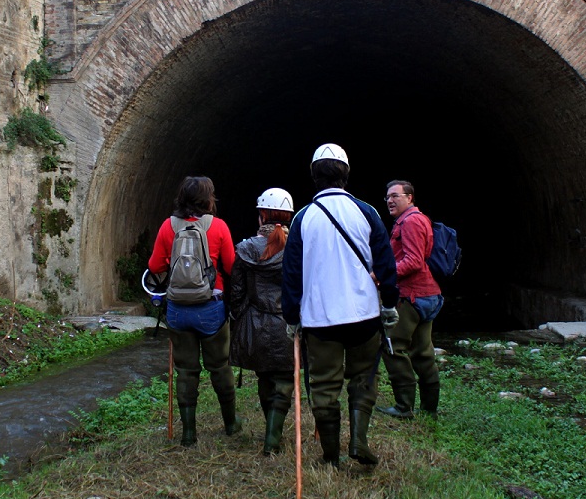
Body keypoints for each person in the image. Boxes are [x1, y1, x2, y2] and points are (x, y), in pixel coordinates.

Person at [281, 145, 399, 467]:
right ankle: (359, 441)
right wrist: (389, 303)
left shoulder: (304, 218)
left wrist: (291, 315)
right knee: (364, 376)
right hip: (364, 316)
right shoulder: (368, 212)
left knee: (324, 384)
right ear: (346, 175)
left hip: (320, 319)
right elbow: (386, 264)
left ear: (314, 176)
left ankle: (331, 456)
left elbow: (292, 275)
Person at [147, 176, 237, 447]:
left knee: (186, 370)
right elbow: (232, 267)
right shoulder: (218, 227)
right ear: (208, 199)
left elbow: (155, 266)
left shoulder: (168, 226)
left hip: (178, 310)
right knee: (219, 366)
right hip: (210, 306)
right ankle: (231, 424)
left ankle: (188, 433)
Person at [229, 187, 296, 455]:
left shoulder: (246, 249)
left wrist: (239, 315)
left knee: (265, 376)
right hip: (287, 325)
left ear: (261, 217)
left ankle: (271, 433)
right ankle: (272, 437)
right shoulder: (297, 248)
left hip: (255, 324)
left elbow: (236, 292)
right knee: (283, 380)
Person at [378, 180, 443, 419]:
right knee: (423, 352)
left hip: (412, 296)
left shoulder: (411, 221)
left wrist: (383, 274)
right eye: (387, 197)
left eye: (395, 196)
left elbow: (414, 261)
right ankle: (429, 409)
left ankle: (404, 407)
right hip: (428, 294)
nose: (390, 201)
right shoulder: (418, 219)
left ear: (410, 198)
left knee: (392, 346)